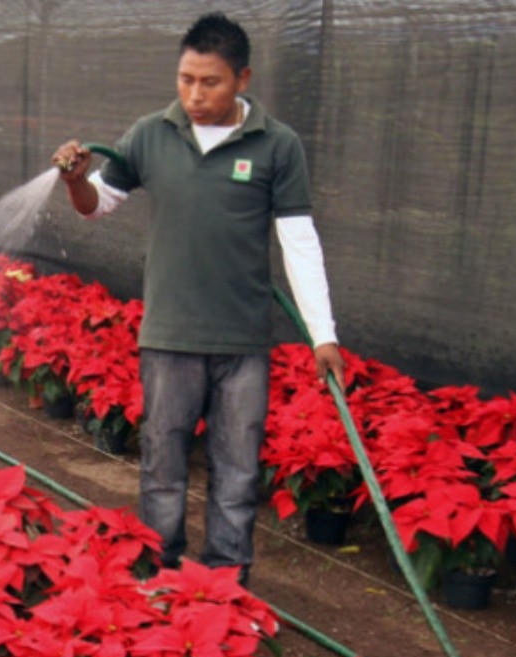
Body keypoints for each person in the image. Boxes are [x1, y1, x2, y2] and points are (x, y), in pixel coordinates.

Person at [52, 12, 344, 584]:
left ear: (242, 79)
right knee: (162, 466)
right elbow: (97, 205)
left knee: (237, 472)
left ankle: (226, 584)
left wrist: (323, 334)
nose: (194, 94)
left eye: (209, 82)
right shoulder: (151, 134)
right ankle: (157, 576)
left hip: (242, 340)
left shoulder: (276, 145)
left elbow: (299, 242)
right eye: (185, 79)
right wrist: (74, 180)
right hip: (169, 336)